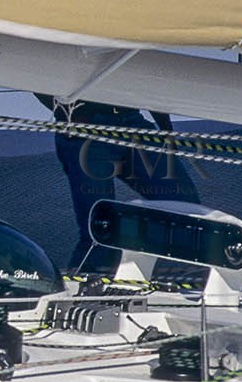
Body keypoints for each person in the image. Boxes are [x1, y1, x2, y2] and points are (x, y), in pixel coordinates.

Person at [36, 95, 200, 272]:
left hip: (134, 122)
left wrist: (166, 130)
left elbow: (149, 74)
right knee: (98, 226)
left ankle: (143, 269)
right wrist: (64, 111)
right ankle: (87, 289)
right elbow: (31, 72)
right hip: (85, 126)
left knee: (186, 207)